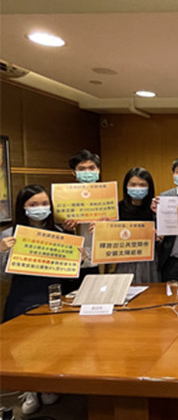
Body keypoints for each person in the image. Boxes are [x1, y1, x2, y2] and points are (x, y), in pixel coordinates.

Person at [0, 184, 76, 414]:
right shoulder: (9, 235)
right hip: (22, 296)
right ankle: (30, 391)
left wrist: (78, 259)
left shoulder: (59, 233)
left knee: (52, 344)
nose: (40, 208)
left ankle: (49, 387)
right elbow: (3, 277)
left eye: (44, 203)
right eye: (33, 204)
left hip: (52, 295)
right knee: (23, 347)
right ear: (23, 207)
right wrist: (2, 252)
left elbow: (70, 274)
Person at [61, 149, 102, 289]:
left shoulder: (108, 197)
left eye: (91, 168)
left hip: (100, 260)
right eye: (82, 169)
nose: (87, 172)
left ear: (98, 170)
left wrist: (105, 227)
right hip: (73, 261)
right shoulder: (63, 197)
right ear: (74, 173)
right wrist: (67, 229)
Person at [114, 167, 159, 284]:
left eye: (142, 185)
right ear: (126, 186)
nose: (137, 188)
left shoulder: (155, 208)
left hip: (149, 261)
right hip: (125, 260)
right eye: (133, 185)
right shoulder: (117, 209)